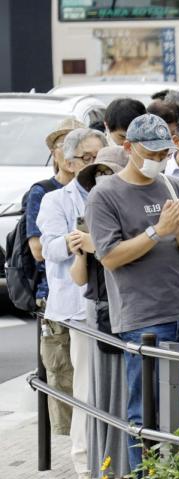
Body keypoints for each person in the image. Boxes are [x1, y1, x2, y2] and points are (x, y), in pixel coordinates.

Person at [86, 114, 179, 472]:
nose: (158, 159)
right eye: (149, 151)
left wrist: (178, 230)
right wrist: (157, 231)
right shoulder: (104, 195)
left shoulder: (175, 187)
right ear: (128, 148)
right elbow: (109, 257)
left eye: (163, 152)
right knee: (145, 406)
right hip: (142, 317)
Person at [37, 127, 108, 479]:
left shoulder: (111, 193)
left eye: (101, 157)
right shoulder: (56, 200)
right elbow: (46, 248)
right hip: (78, 307)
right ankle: (85, 467)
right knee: (86, 388)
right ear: (68, 162)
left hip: (115, 304)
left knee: (110, 387)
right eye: (87, 158)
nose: (95, 165)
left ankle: (111, 461)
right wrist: (74, 240)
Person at [69, 146, 131, 479]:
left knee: (126, 392)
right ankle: (99, 469)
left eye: (110, 173)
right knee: (98, 392)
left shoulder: (131, 212)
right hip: (99, 310)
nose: (103, 181)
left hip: (132, 308)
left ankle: (125, 470)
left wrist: (100, 246)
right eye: (98, 175)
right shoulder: (88, 216)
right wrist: (82, 250)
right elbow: (79, 278)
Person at [27, 119, 85, 438]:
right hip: (55, 294)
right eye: (65, 144)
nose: (71, 152)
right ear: (55, 151)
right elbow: (39, 249)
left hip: (89, 299)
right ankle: (73, 444)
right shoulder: (45, 193)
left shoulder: (97, 187)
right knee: (62, 372)